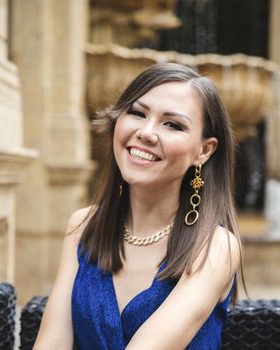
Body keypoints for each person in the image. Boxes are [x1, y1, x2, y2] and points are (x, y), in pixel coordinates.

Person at [33, 63, 243, 349]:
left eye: (173, 124)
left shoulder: (215, 247)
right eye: (137, 113)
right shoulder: (83, 227)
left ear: (203, 151)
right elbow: (52, 344)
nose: (146, 132)